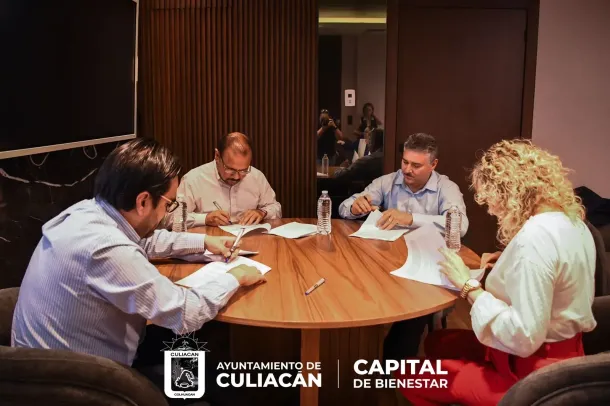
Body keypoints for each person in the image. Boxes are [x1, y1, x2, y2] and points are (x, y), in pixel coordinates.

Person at [11, 138, 264, 404]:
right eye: (169, 204)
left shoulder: (88, 212)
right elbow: (185, 313)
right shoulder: (107, 249)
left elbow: (143, 242)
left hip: (52, 365)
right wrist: (234, 277)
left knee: (205, 341)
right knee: (227, 383)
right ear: (143, 201)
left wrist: (203, 242)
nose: (168, 211)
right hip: (87, 384)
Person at [395, 139, 597, 406]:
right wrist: (509, 260)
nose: (491, 210)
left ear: (511, 193)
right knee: (439, 342)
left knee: (409, 376)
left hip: (532, 376)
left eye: (491, 200)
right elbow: (555, 271)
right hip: (567, 355)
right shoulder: (571, 222)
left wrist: (468, 286)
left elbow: (524, 337)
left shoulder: (534, 240)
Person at [338, 132, 468, 235]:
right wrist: (354, 209)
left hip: (431, 254)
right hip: (392, 251)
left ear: (433, 164)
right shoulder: (387, 182)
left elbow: (459, 226)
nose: (407, 170)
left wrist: (410, 219)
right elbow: (344, 208)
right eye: (405, 162)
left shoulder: (447, 187)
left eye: (416, 165)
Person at [165, 132, 281, 228]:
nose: (237, 177)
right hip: (209, 243)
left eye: (243, 170)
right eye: (231, 170)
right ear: (217, 156)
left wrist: (262, 212)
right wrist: (205, 219)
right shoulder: (193, 179)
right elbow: (170, 219)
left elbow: (276, 208)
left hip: (249, 240)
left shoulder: (256, 177)